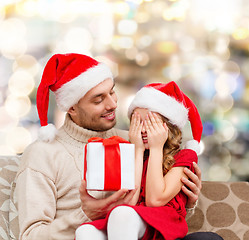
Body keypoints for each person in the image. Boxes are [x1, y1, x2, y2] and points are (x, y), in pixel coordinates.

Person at [15, 53, 214, 240]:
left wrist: (185, 199)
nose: (112, 104)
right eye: (99, 99)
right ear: (72, 108)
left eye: (112, 92)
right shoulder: (43, 153)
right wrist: (85, 214)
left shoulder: (136, 140)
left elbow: (155, 207)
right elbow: (31, 236)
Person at [74, 81, 207, 240]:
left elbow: (155, 200)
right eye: (137, 122)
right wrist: (137, 149)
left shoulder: (184, 156)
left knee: (121, 214)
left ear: (168, 126)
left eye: (150, 122)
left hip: (161, 225)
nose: (143, 130)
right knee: (85, 232)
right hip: (131, 221)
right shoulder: (132, 154)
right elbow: (130, 202)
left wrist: (156, 148)